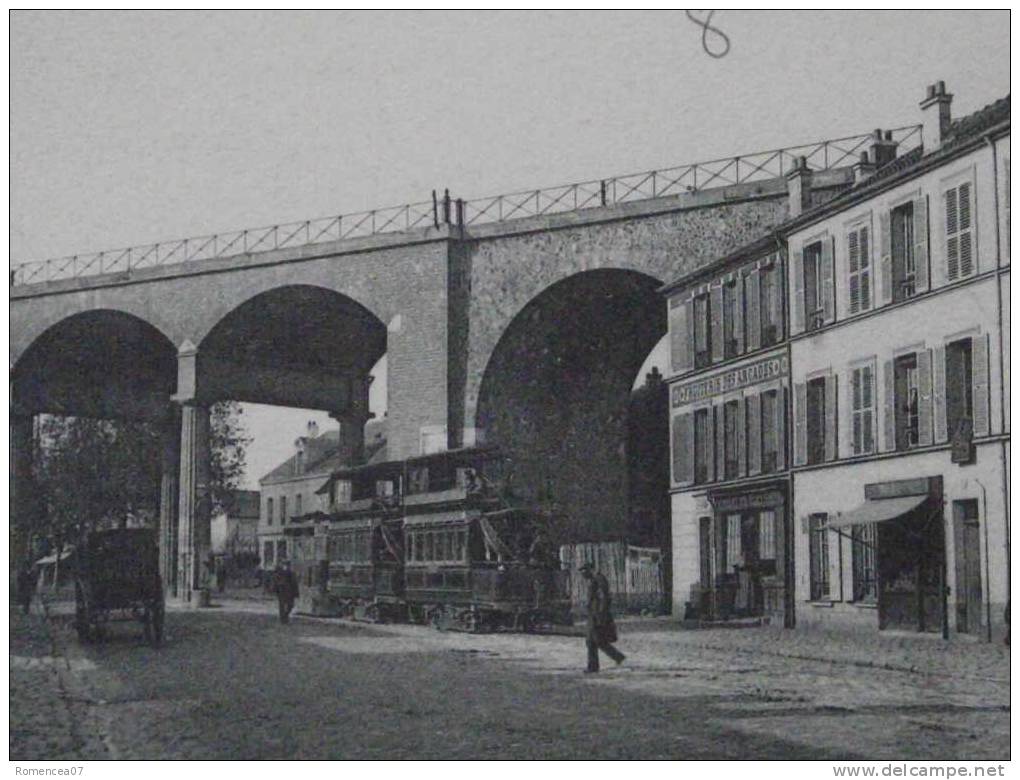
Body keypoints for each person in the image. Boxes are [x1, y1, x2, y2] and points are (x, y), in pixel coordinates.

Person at [579, 563, 625, 673]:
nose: (582, 575)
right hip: (594, 614)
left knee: (594, 640)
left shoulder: (599, 579)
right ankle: (615, 657)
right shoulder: (594, 579)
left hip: (598, 614)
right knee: (593, 640)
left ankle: (594, 666)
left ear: (590, 569)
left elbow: (604, 597)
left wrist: (601, 614)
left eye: (584, 571)